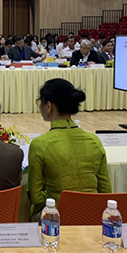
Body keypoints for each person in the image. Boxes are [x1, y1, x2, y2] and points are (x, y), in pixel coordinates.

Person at [28, 79, 112, 218]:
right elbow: (105, 190)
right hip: (92, 217)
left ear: (48, 106)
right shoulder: (94, 141)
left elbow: (36, 197)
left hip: (56, 218)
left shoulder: (40, 144)